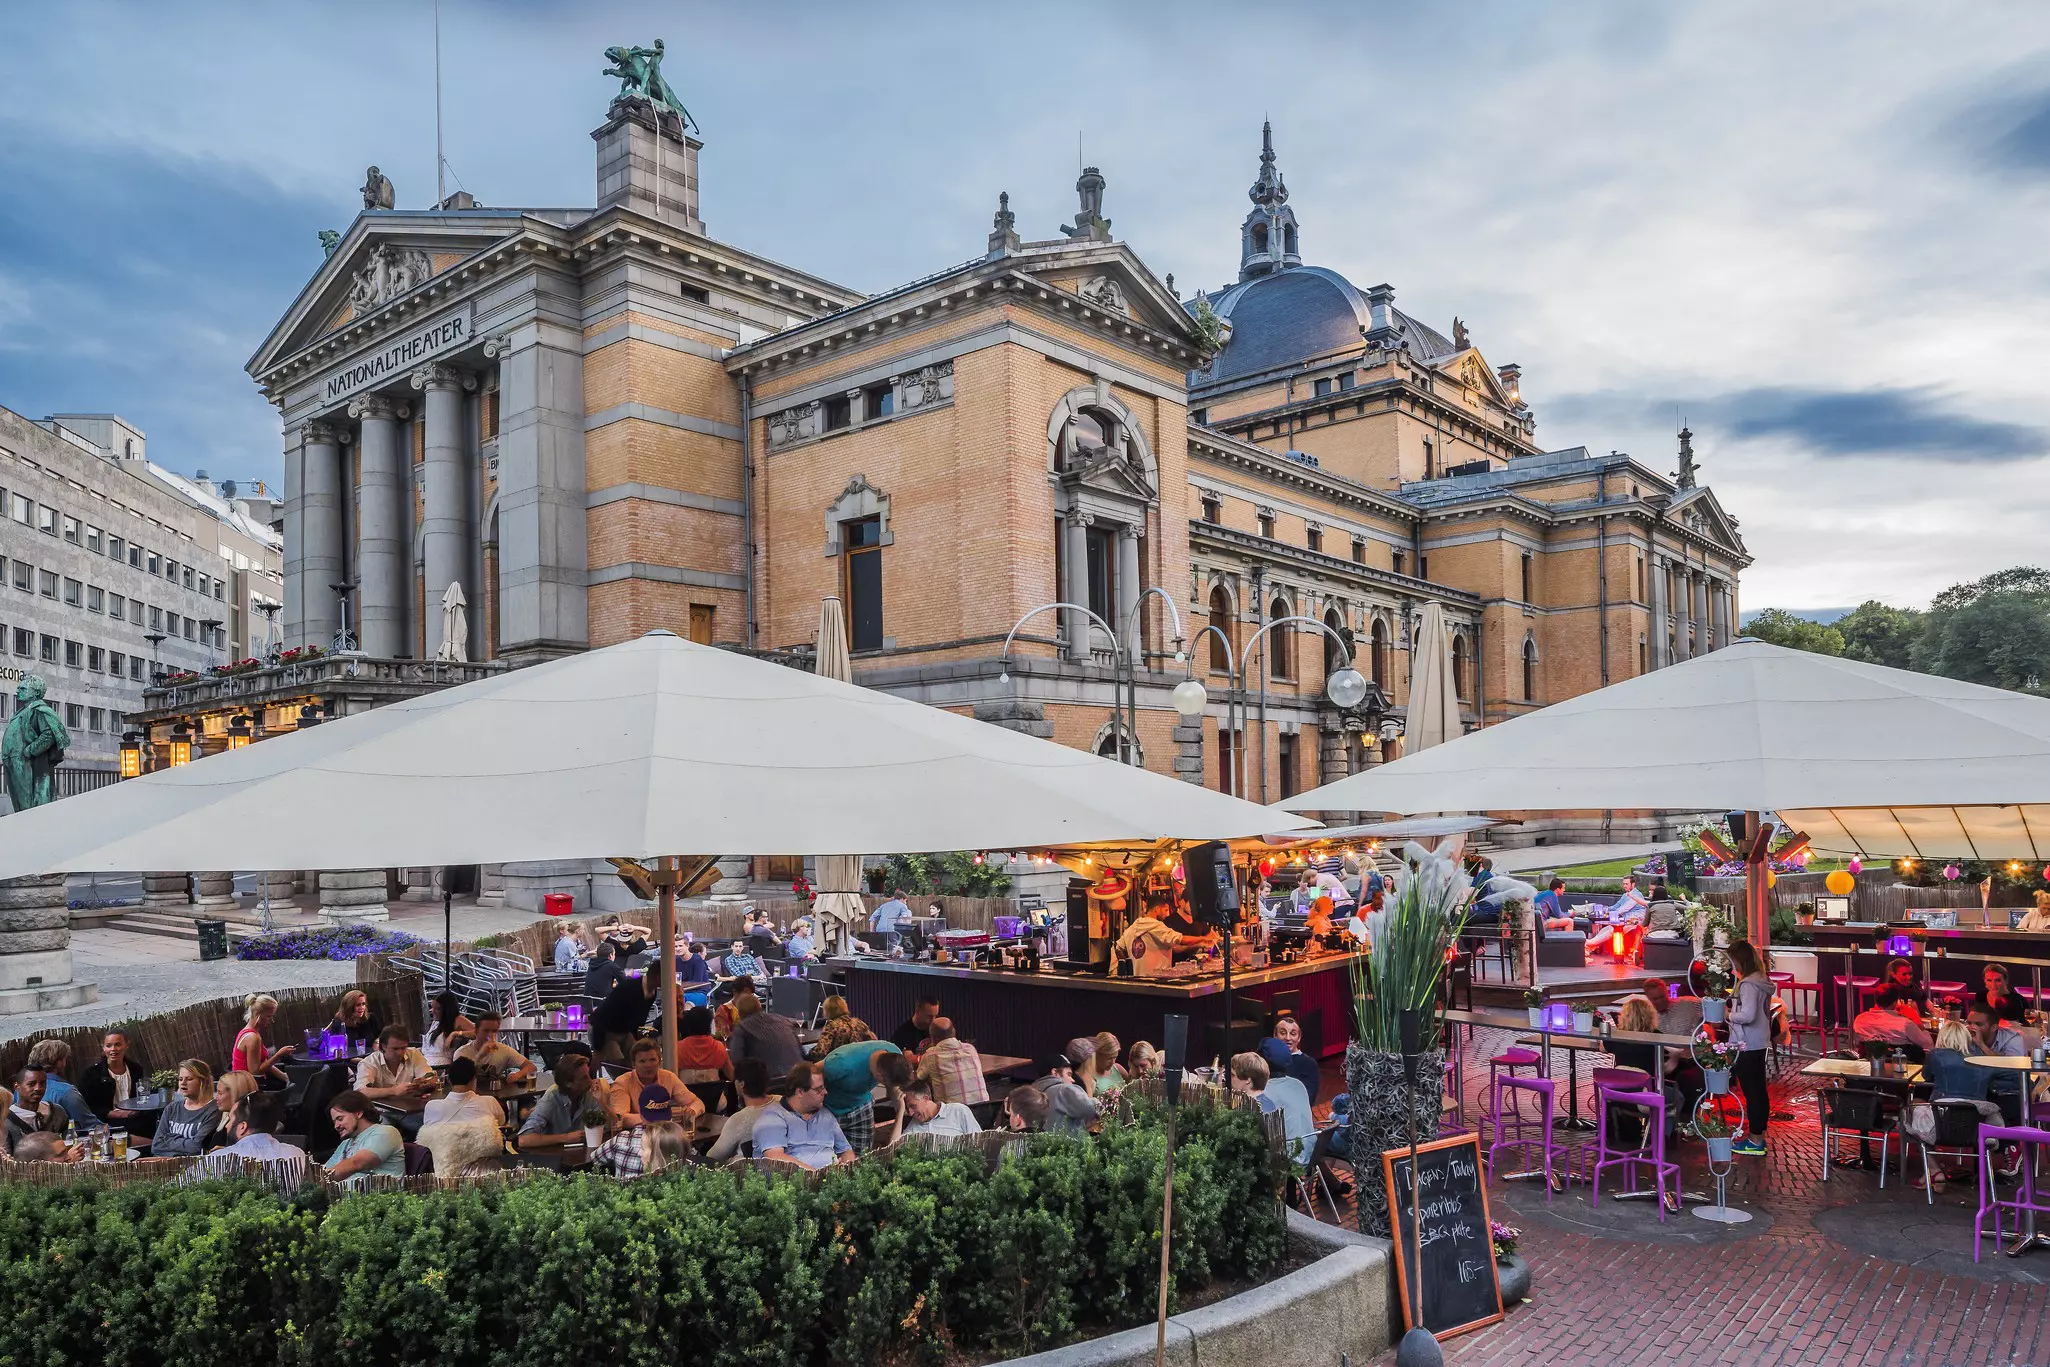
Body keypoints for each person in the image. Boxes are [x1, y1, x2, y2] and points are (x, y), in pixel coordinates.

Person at [187, 1092, 308, 1191]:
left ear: (242, 1127)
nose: (227, 1126)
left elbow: (180, 1187)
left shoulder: (218, 1160)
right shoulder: (297, 1154)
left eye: (230, 1119)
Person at [753, 1062, 856, 1168]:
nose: (825, 1092)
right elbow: (775, 1158)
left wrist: (846, 1168)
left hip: (831, 1179)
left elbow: (846, 1151)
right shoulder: (772, 1117)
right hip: (793, 1181)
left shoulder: (825, 1114)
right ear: (800, 1092)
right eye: (819, 1089)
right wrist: (816, 1175)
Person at [1725, 941, 1775, 1157]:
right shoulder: (1761, 981)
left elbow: (1748, 1015)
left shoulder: (1747, 984)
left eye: (1732, 961)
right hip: (1759, 1041)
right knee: (1758, 1091)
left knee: (1752, 1092)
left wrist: (1728, 1015)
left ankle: (1755, 1140)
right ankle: (1758, 1135)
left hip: (1746, 1043)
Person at [822, 1037, 910, 1153]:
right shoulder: (841, 1063)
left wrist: (900, 1108)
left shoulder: (894, 1054)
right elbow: (813, 1074)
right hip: (830, 1109)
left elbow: (893, 1087)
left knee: (863, 1155)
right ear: (879, 1076)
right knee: (827, 1155)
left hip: (861, 1105)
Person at [517, 1051, 609, 1151]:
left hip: (581, 1155)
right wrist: (566, 1137)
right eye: (584, 1078)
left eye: (589, 1075)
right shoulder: (551, 1099)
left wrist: (601, 1101)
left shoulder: (590, 1094)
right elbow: (523, 1140)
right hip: (552, 1158)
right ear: (568, 1083)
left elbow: (613, 1126)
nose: (590, 1081)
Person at [609, 1038, 702, 1132]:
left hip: (663, 1134)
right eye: (642, 1061)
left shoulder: (669, 1077)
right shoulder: (622, 1083)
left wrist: (691, 1111)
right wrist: (661, 1117)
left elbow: (697, 1103)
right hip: (635, 1136)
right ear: (633, 1064)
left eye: (652, 1060)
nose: (648, 1065)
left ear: (659, 1062)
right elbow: (620, 1118)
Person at [324, 1092, 406, 1184]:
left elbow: (357, 1163)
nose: (336, 1126)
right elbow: (324, 1170)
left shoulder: (385, 1132)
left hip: (379, 1197)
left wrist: (321, 1180)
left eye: (340, 1119)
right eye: (334, 1122)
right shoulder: (345, 1144)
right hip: (343, 1196)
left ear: (358, 1113)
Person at [591, 1105, 693, 1178]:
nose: (639, 1152)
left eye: (643, 1148)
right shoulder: (680, 1144)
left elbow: (594, 1159)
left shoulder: (620, 1139)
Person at [707, 1058, 778, 1162]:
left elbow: (713, 1156)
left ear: (741, 1084)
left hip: (746, 1171)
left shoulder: (740, 1119)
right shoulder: (782, 1102)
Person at [77, 1028, 149, 1129]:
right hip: (107, 1124)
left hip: (135, 1119)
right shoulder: (91, 1074)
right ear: (103, 1048)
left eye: (118, 1045)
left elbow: (141, 1096)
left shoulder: (136, 1069)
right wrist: (114, 1114)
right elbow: (86, 1106)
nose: (113, 1049)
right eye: (108, 1046)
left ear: (126, 1045)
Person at [727, 993, 807, 1079]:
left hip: (770, 1083)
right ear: (760, 1006)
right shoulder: (783, 1020)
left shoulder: (742, 1028)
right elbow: (801, 1052)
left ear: (739, 1013)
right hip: (800, 1077)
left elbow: (737, 1061)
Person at [150, 1060, 220, 1158]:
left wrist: (169, 1138)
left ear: (203, 1082)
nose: (183, 1083)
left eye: (189, 1079)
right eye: (180, 1079)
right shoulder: (171, 1108)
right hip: (161, 1163)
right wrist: (183, 1150)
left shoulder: (213, 1110)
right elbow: (156, 1146)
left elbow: (197, 1147)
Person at [916, 1017, 989, 1106]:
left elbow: (918, 1079)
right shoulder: (970, 1049)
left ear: (932, 1038)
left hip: (952, 1116)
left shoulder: (930, 1055)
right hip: (984, 1112)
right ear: (953, 1032)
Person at [590, 971, 659, 1063]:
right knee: (620, 1068)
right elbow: (602, 1016)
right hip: (604, 1031)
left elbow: (639, 1021)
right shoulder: (628, 988)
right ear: (657, 976)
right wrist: (598, 1048)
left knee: (637, 1062)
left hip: (625, 1032)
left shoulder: (652, 993)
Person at [1854, 987, 1937, 1061]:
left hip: (1868, 1064)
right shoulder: (1905, 1023)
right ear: (1895, 1002)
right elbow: (1928, 1045)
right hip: (1904, 1066)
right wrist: (1920, 1026)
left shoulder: (1860, 1020)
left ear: (1875, 1000)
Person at [355, 1027, 438, 1100]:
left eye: (403, 1048)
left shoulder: (413, 1054)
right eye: (395, 1049)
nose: (400, 1052)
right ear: (383, 1046)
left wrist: (426, 1083)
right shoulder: (369, 1062)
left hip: (412, 1107)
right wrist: (393, 1091)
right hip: (383, 1111)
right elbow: (361, 1091)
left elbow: (430, 1076)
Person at [232, 994, 297, 1088]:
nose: (272, 1020)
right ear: (258, 1015)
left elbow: (263, 1062)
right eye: (269, 1016)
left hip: (243, 1083)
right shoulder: (253, 1038)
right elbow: (256, 1072)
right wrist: (279, 1054)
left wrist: (284, 1076)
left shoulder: (246, 1031)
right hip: (246, 1088)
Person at [421, 1057, 505, 1128]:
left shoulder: (431, 1107)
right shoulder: (490, 1102)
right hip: (482, 1147)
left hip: (445, 1147)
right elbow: (501, 1123)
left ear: (449, 1080)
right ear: (473, 1080)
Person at [455, 1012, 536, 1086]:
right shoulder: (462, 1053)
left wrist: (517, 1075)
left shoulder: (503, 1050)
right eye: (486, 1031)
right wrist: (479, 1056)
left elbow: (531, 1067)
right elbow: (459, 1081)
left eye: (494, 1031)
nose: (490, 1034)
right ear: (476, 1031)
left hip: (495, 1096)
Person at [25, 1040, 90, 1131]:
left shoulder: (18, 1091)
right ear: (59, 1063)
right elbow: (88, 1125)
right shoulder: (67, 1092)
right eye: (64, 1059)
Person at [1033, 1053, 1101, 1134]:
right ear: (1055, 1073)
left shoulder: (1031, 1094)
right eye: (1069, 1074)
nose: (1073, 1080)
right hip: (1069, 1145)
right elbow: (1090, 1107)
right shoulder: (1065, 1090)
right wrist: (1102, 1103)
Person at [7, 1065, 67, 1153]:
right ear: (17, 1087)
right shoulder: (6, 1120)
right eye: (31, 1084)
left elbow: (69, 1141)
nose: (38, 1088)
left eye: (42, 1083)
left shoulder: (57, 1112)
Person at [1261, 1016, 1321, 1101]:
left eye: (1293, 1034)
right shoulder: (1266, 1060)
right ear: (1275, 1036)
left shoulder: (1309, 1063)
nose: (1288, 1038)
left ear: (1299, 1037)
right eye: (1282, 1033)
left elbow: (1308, 1098)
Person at [899, 1078, 982, 1138]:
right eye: (906, 1108)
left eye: (913, 1106)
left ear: (926, 1099)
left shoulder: (958, 1111)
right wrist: (900, 1112)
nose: (910, 1113)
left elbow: (979, 1142)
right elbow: (893, 1149)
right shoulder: (914, 1125)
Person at [206, 1072, 259, 1151]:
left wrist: (228, 1151)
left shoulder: (247, 1126)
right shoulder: (222, 1116)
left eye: (220, 1093)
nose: (216, 1098)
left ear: (235, 1094)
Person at [675, 1006, 732, 1077]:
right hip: (714, 1088)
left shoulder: (678, 1048)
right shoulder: (718, 1047)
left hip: (685, 1087)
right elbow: (731, 1075)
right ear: (709, 1025)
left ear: (688, 1025)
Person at [422, 992, 476, 1066]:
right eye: (432, 1007)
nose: (432, 1011)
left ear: (447, 1010)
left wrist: (455, 1034)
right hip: (425, 1063)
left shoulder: (457, 1020)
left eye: (437, 1008)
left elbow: (481, 1034)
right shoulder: (436, 1022)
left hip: (441, 1067)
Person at [1089, 1033, 1127, 1097]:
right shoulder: (1089, 1075)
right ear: (1097, 1054)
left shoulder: (1118, 1069)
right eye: (1109, 1058)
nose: (1113, 1062)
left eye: (1115, 1057)